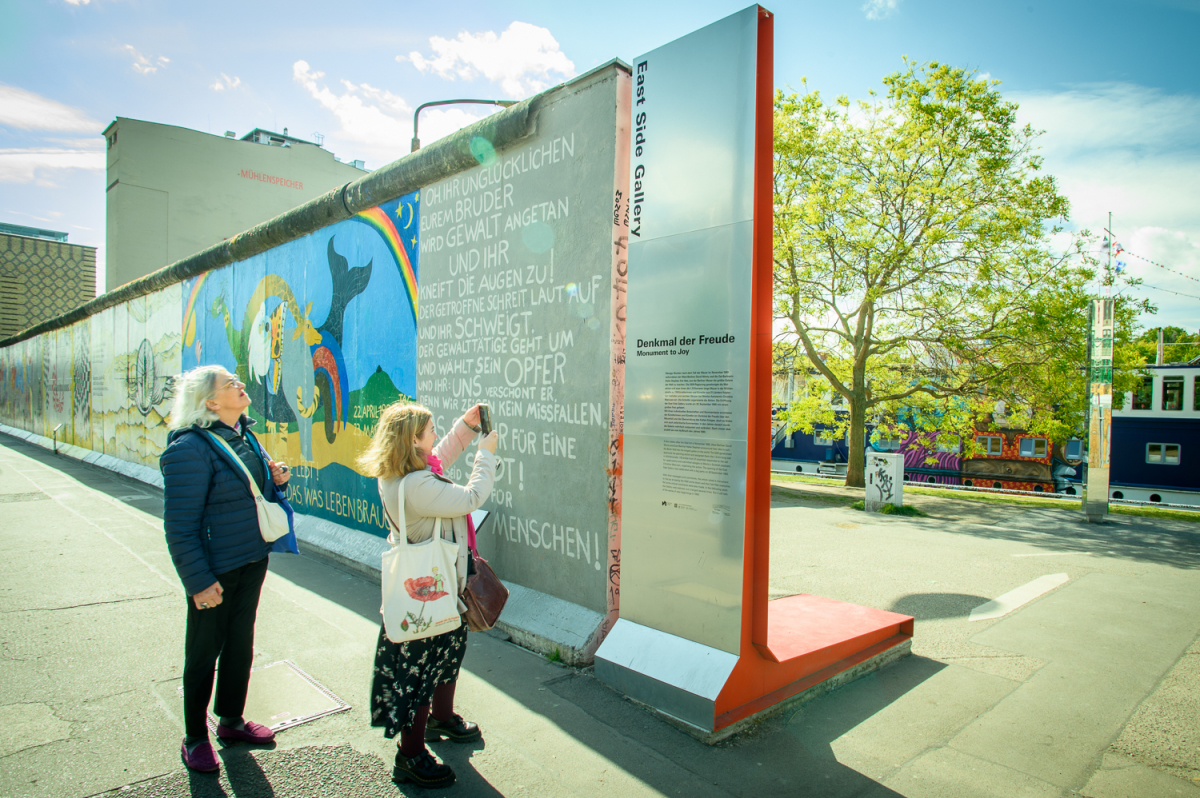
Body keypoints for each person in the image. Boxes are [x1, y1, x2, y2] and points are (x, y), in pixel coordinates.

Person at [160, 365, 297, 773]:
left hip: (252, 559)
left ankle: (231, 720)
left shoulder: (244, 436)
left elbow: (250, 494)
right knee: (204, 652)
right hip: (214, 570)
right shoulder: (188, 449)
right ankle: (194, 737)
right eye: (230, 384)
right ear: (210, 402)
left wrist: (277, 480)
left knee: (240, 643)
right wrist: (198, 582)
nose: (240, 385)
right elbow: (179, 526)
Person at [358, 402, 498, 789]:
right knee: (421, 671)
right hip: (429, 593)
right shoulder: (418, 486)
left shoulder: (404, 472)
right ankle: (411, 754)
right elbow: (470, 497)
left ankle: (442, 718)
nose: (435, 435)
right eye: (430, 430)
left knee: (449, 650)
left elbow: (440, 456)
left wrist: (466, 427)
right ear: (412, 441)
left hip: (437, 584)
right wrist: (485, 454)